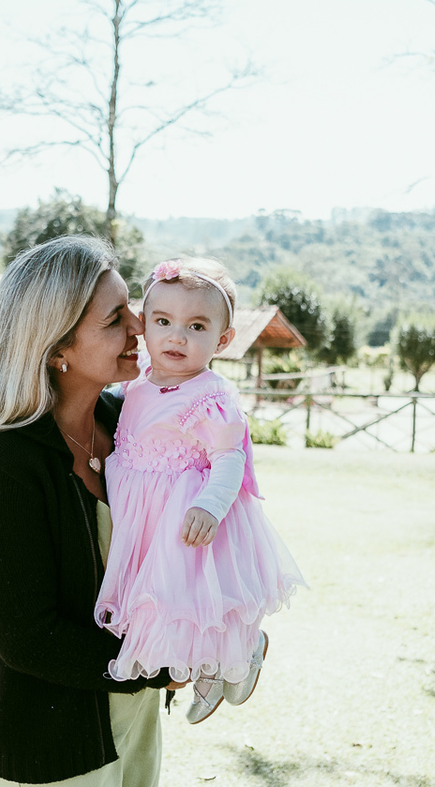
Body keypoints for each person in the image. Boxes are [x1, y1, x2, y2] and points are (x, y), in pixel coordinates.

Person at [0, 236, 180, 787]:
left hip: (133, 718)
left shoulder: (129, 423)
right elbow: (28, 637)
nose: (140, 327)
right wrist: (158, 664)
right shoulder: (3, 462)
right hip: (51, 744)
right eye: (115, 318)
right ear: (55, 348)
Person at [95, 257, 306, 724]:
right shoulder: (138, 379)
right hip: (141, 513)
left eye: (196, 326)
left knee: (193, 601)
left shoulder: (210, 397)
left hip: (185, 515)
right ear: (143, 325)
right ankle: (212, 664)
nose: (177, 337)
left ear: (222, 340)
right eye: (163, 322)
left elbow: (230, 459)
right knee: (159, 604)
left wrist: (210, 505)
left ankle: (232, 656)